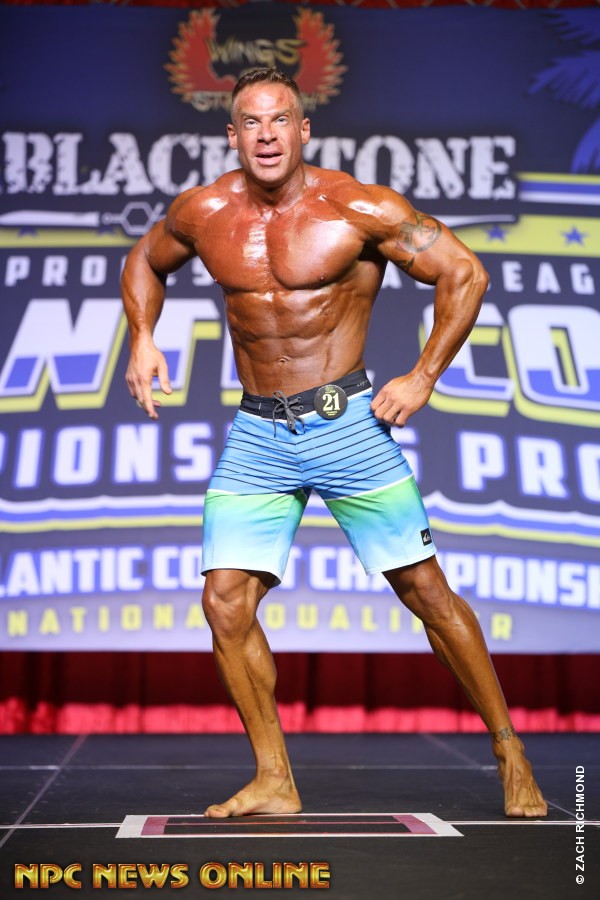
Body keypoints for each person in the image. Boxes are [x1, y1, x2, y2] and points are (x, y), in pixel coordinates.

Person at [122, 67, 547, 819]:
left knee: (424, 591)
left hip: (346, 423)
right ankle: (274, 777)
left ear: (304, 128)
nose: (267, 135)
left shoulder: (356, 206)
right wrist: (142, 338)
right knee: (224, 601)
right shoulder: (205, 210)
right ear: (233, 134)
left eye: (280, 119)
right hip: (258, 430)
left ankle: (510, 747)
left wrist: (422, 376)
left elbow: (465, 273)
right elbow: (143, 260)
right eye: (252, 122)